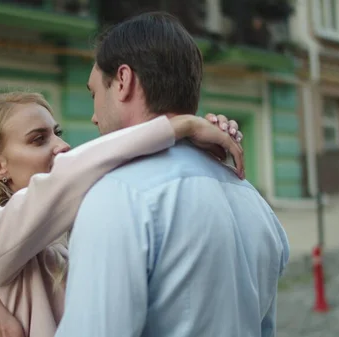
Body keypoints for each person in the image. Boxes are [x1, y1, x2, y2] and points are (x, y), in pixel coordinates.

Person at [53, 12, 289, 337]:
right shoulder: (253, 200)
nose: (93, 116)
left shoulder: (117, 197)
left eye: (94, 93)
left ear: (123, 81)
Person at [0, 91, 244, 337]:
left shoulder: (75, 219)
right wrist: (178, 127)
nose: (62, 146)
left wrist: (194, 148)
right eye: (38, 139)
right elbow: (69, 177)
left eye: (57, 133)